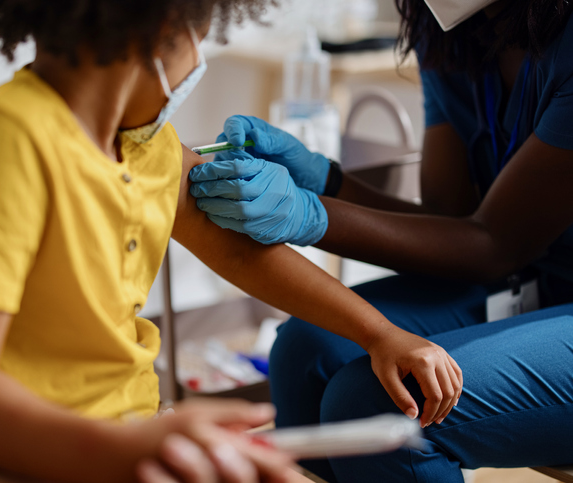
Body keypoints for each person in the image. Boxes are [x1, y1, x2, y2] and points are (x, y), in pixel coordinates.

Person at [0, 1, 462, 482]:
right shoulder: (5, 142)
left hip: (139, 433)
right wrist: (129, 448)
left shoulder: (146, 143)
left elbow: (241, 253)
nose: (199, 56)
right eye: (201, 34)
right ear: (163, 26)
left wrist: (381, 334)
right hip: (42, 455)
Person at [188, 0, 573, 480]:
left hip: (516, 270)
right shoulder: (450, 29)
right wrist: (325, 181)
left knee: (382, 406)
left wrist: (312, 215)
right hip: (523, 277)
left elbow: (494, 244)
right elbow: (448, 221)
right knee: (305, 350)